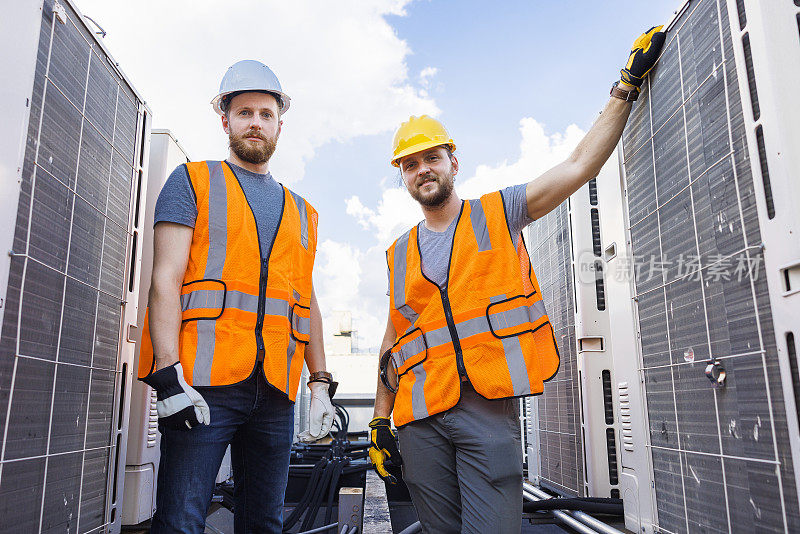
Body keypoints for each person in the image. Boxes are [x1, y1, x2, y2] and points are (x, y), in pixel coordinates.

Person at [368, 27, 666, 533]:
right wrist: (380, 419)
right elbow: (394, 338)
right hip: (417, 416)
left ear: (453, 161)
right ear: (403, 175)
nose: (423, 169)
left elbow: (576, 166)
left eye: (432, 158)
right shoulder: (398, 252)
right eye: (411, 163)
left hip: (485, 408)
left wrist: (624, 88)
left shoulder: (497, 213)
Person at [137, 60, 336, 534]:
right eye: (244, 112)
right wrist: (168, 379)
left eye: (265, 114)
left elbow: (307, 301)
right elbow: (164, 280)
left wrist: (320, 382)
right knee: (182, 520)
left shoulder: (303, 212)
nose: (255, 122)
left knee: (264, 521)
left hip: (274, 393)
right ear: (225, 120)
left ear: (279, 125)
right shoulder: (193, 182)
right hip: (201, 387)